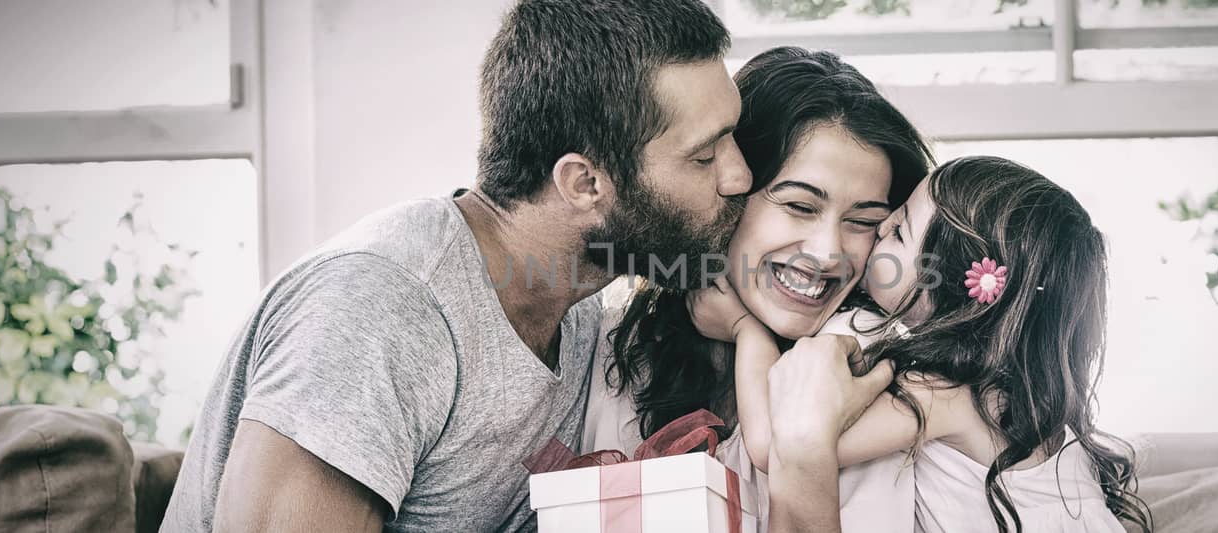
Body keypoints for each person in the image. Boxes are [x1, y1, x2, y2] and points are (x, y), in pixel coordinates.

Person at [161, 2, 884, 532]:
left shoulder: (576, 315)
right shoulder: (380, 308)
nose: (738, 176)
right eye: (705, 155)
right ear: (583, 184)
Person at [698, 156, 1156, 532]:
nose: (880, 227)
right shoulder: (1018, 396)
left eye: (897, 232)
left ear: (951, 296)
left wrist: (745, 329)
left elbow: (776, 446)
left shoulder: (948, 394)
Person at [585, 46, 934, 530]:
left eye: (863, 221)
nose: (828, 252)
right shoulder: (624, 347)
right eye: (800, 206)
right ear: (728, 190)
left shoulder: (866, 364)